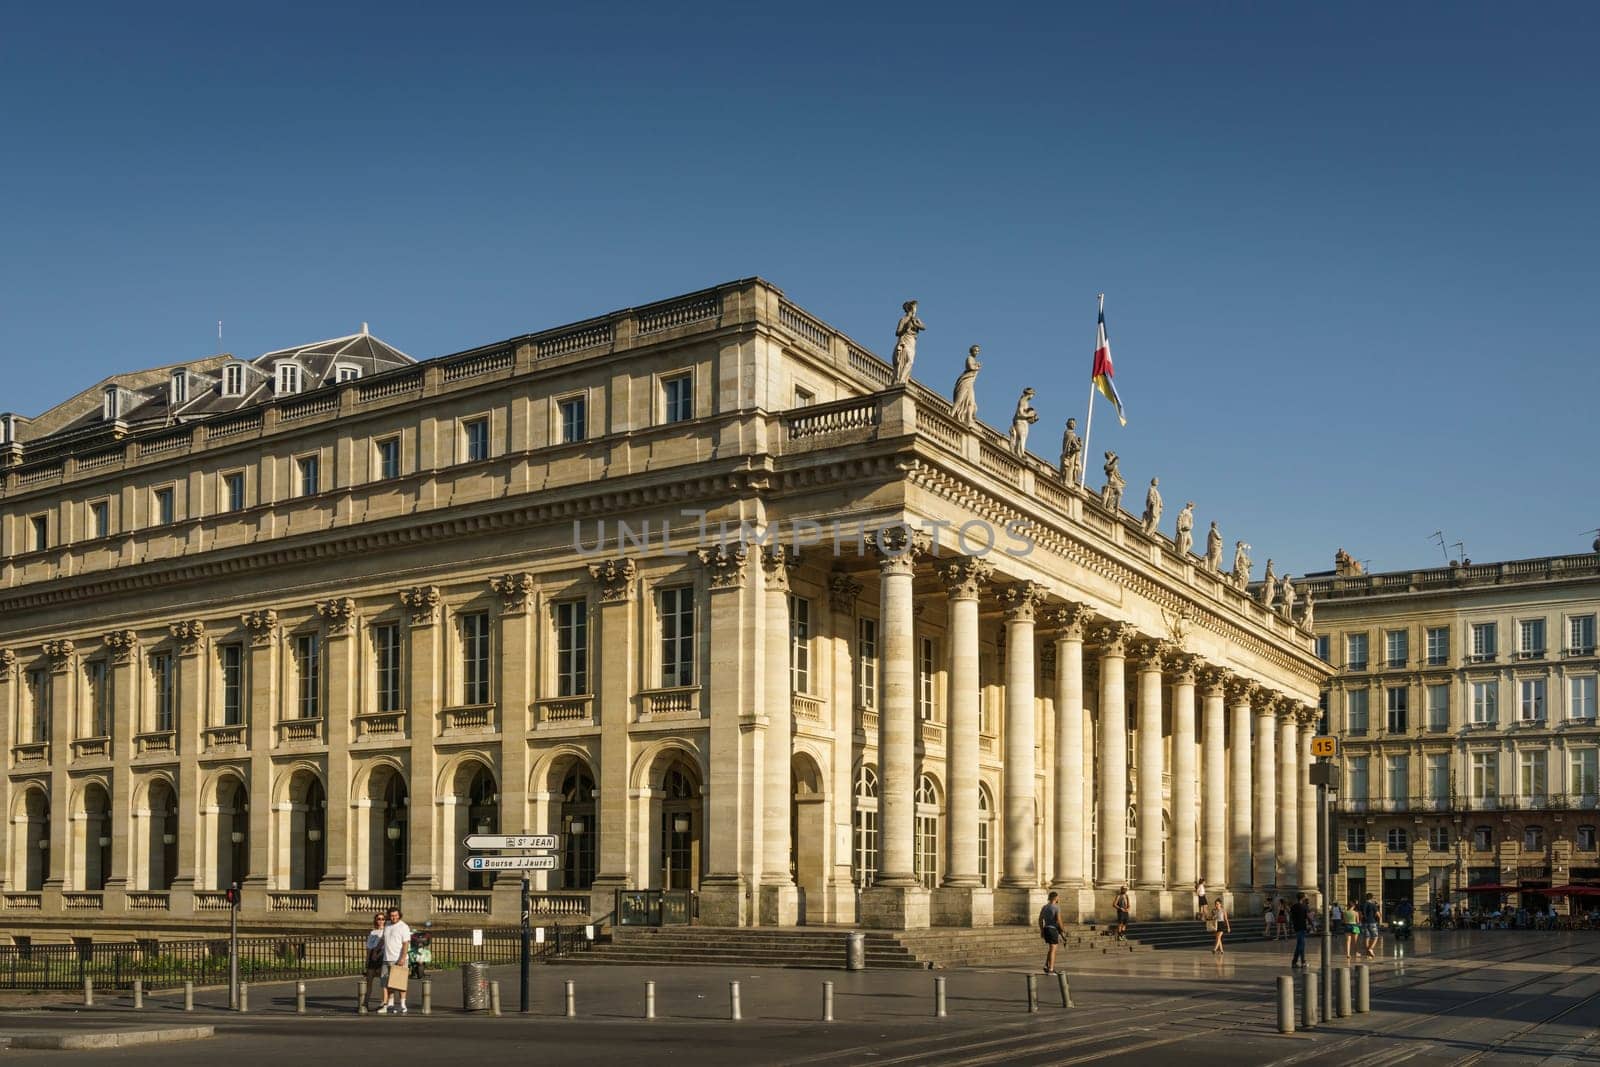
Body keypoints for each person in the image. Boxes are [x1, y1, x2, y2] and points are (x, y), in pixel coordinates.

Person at [378, 906, 412, 1014]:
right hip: (387, 958)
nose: (394, 918)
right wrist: (376, 951)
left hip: (399, 959)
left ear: (399, 915)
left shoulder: (403, 927)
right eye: (392, 916)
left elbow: (406, 944)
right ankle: (390, 1005)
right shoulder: (387, 925)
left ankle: (402, 1005)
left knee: (400, 983)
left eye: (396, 915)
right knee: (387, 983)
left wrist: (402, 958)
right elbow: (383, 940)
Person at [950, 345, 981, 426]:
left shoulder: (974, 360)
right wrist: (977, 366)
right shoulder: (969, 358)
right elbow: (970, 366)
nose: (976, 352)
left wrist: (977, 366)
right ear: (971, 351)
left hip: (970, 385)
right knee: (959, 400)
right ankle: (951, 415)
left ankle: (969, 419)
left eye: (978, 351)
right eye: (975, 350)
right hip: (965, 382)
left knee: (972, 403)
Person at [363, 912, 387, 1012]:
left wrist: (377, 954)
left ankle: (384, 1002)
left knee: (383, 982)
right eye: (378, 919)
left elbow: (385, 945)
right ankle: (365, 1002)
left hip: (381, 956)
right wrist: (367, 960)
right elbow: (368, 947)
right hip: (372, 957)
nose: (380, 921)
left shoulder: (386, 931)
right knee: (369, 981)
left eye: (382, 919)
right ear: (375, 920)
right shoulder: (372, 932)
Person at [1039, 890, 1066, 974]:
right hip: (1053, 929)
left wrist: (1042, 930)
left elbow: (1040, 919)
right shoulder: (1056, 907)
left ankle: (1046, 965)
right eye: (1058, 897)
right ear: (1056, 898)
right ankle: (1051, 969)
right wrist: (1062, 929)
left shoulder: (1045, 907)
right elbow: (1058, 920)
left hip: (1046, 928)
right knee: (1053, 950)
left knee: (1051, 949)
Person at [1289, 893, 1310, 969]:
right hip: (1302, 927)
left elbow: (1291, 918)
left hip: (1296, 927)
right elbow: (1308, 917)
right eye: (1305, 896)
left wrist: (1290, 928)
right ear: (1303, 898)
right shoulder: (1304, 907)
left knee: (1300, 945)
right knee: (1301, 945)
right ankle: (1301, 962)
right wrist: (1313, 926)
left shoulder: (1293, 906)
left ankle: (1296, 962)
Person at [1359, 893, 1382, 958]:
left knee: (1367, 937)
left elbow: (1360, 914)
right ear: (1372, 898)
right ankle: (1370, 949)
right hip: (1372, 922)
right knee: (1375, 936)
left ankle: (1368, 954)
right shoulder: (1373, 905)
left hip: (1364, 923)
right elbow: (1378, 915)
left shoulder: (1362, 905)